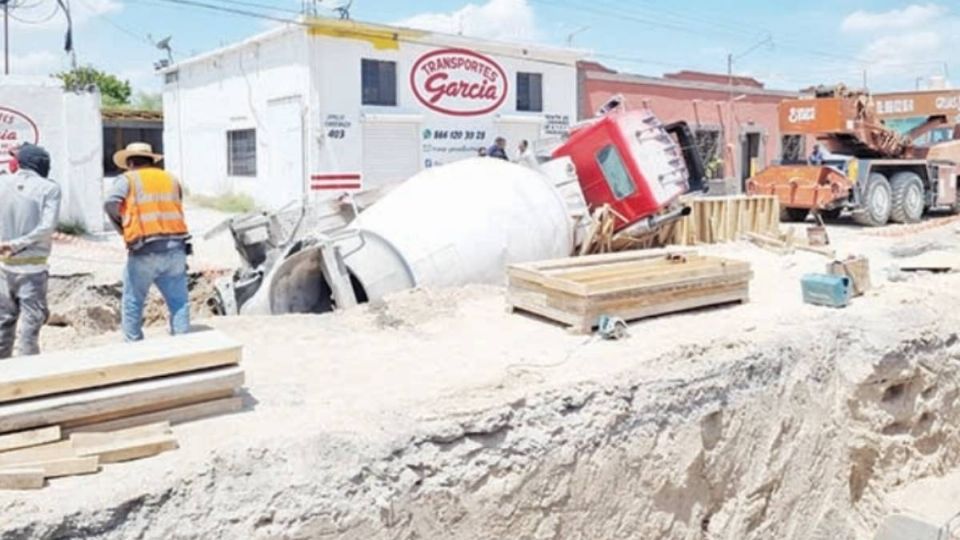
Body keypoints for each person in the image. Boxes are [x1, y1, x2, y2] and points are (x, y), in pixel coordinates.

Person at [103, 142, 191, 342]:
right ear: (151, 160)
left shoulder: (128, 179)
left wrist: (123, 227)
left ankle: (134, 348)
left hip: (144, 249)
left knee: (133, 301)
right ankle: (184, 346)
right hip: (176, 247)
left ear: (130, 162)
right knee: (179, 302)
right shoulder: (171, 179)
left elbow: (110, 203)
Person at [0, 143, 61, 359]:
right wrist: (17, 244)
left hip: (4, 267)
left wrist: (7, 245)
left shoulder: (2, 182)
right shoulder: (49, 188)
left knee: (4, 321)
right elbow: (46, 227)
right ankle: (29, 374)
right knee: (30, 324)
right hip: (33, 267)